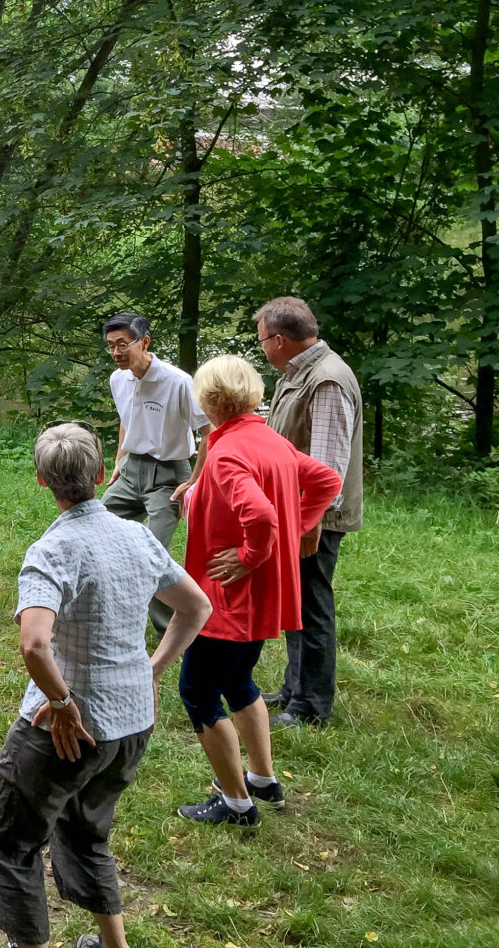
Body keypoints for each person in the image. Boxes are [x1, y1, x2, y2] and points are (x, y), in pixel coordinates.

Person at [0, 423, 210, 948]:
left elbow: (34, 644)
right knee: (86, 830)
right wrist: (150, 670)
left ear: (41, 481)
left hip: (69, 732)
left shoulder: (53, 550)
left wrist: (61, 703)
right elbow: (196, 607)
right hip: (131, 723)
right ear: (104, 473)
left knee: (9, 836)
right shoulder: (138, 536)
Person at [174, 356, 340, 827]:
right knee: (238, 681)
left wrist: (251, 555)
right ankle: (263, 780)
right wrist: (297, 530)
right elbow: (327, 480)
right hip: (261, 594)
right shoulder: (270, 439)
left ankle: (236, 803)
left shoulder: (228, 452)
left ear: (210, 400)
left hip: (230, 595)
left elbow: (262, 516)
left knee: (197, 690)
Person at [256, 297, 364, 730]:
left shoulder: (326, 380)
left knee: (311, 607)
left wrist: (309, 523)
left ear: (280, 339)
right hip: (297, 513)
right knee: (296, 604)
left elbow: (328, 468)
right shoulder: (298, 373)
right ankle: (294, 690)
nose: (263, 347)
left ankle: (311, 707)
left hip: (313, 518)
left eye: (262, 340)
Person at [100, 313, 209, 633]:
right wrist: (119, 461)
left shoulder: (179, 382)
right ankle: (106, 610)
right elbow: (126, 420)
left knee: (153, 553)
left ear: (144, 342)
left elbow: (209, 432)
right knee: (95, 528)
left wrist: (194, 481)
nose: (116, 352)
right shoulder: (118, 379)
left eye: (123, 344)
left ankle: (169, 629)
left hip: (169, 476)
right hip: (131, 469)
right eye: (110, 346)